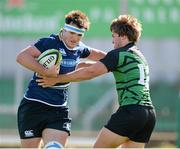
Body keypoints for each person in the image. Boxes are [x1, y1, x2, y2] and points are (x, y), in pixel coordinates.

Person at [37, 14, 156, 148]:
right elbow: (94, 67)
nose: (112, 41)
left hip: (131, 112)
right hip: (149, 115)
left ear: (122, 36)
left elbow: (91, 72)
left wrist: (57, 79)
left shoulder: (118, 54)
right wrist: (74, 65)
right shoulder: (138, 56)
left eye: (114, 36)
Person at [16, 10, 106, 148]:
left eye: (79, 35)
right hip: (33, 105)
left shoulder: (79, 49)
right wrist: (46, 71)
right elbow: (22, 57)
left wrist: (121, 56)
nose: (75, 38)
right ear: (63, 30)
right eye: (72, 33)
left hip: (58, 109)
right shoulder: (50, 42)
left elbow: (101, 55)